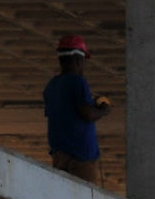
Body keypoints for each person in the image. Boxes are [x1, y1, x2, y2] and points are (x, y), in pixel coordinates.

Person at [42, 34, 110, 185]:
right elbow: (88, 113)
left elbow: (64, 114)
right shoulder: (78, 82)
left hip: (60, 156)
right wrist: (104, 109)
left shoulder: (51, 86)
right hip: (81, 157)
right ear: (78, 60)